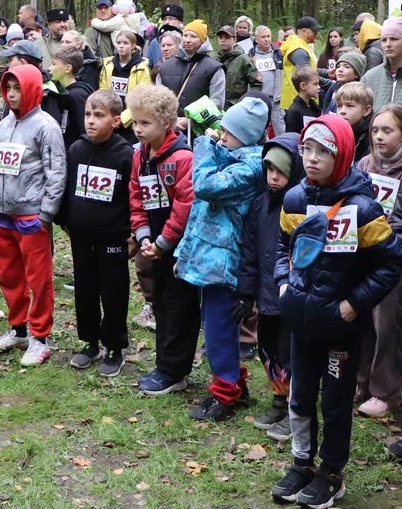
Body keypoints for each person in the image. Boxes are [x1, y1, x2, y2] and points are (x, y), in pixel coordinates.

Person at [271, 114, 402, 509]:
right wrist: (284, 285)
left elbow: (390, 263)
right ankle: (301, 463)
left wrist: (354, 303)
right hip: (301, 321)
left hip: (340, 329)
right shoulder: (295, 199)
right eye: (306, 149)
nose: (312, 158)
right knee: (300, 396)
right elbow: (281, 247)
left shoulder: (363, 208)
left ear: (342, 154)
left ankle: (331, 472)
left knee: (334, 402)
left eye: (323, 151)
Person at [176, 97, 269, 420]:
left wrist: (203, 144)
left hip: (225, 264)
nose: (222, 134)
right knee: (215, 325)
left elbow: (204, 186)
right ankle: (234, 382)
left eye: (230, 131)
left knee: (218, 328)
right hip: (210, 258)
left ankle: (225, 391)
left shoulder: (249, 168)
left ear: (246, 136)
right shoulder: (234, 157)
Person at [0, 64, 66, 366]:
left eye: (18, 88)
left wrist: (46, 213)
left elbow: (56, 172)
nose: (12, 94)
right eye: (8, 88)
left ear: (32, 89)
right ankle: (18, 329)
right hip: (2, 213)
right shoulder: (4, 124)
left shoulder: (46, 126)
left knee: (38, 279)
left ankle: (39, 337)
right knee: (9, 275)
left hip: (32, 216)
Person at [355, 105, 402, 425]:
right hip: (361, 255)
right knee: (360, 320)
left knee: (384, 326)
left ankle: (385, 391)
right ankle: (359, 380)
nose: (379, 137)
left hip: (391, 260)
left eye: (387, 131)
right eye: (375, 130)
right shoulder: (363, 164)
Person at [128, 84, 198, 396]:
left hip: (179, 246)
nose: (138, 129)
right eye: (135, 122)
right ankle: (164, 365)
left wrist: (164, 242)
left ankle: (175, 370)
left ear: (166, 122)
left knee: (178, 305)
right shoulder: (140, 156)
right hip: (153, 242)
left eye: (145, 123)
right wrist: (143, 235)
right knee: (160, 303)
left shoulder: (183, 158)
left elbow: (185, 205)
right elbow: (136, 197)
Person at [58, 89, 133, 378]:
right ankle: (89, 341)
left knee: (113, 293)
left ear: (115, 120)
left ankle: (114, 346)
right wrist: (66, 221)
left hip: (113, 239)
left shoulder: (125, 154)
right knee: (85, 290)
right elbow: (67, 190)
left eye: (99, 115)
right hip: (81, 237)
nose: (90, 120)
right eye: (88, 114)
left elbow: (132, 198)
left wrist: (132, 233)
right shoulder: (76, 150)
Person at [240, 132, 304, 440]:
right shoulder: (259, 205)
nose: (274, 177)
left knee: (290, 353)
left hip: (290, 296)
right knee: (267, 350)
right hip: (265, 294)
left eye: (281, 171)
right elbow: (249, 251)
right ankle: (278, 399)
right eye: (269, 169)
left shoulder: (301, 206)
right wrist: (245, 293)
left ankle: (295, 408)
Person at [154, 20, 225, 113]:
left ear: (203, 40)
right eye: (185, 35)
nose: (187, 40)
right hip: (170, 121)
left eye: (193, 36)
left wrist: (190, 119)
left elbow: (217, 103)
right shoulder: (165, 67)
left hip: (200, 122)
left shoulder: (214, 68)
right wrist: (172, 119)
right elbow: (158, 101)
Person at [247, 25, 285, 134]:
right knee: (258, 131)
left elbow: (286, 74)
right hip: (258, 99)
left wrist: (283, 91)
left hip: (276, 99)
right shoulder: (250, 55)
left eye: (268, 36)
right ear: (256, 39)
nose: (266, 39)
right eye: (263, 37)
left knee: (281, 129)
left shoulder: (278, 53)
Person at [279, 16, 320, 113]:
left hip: (299, 99)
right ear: (304, 31)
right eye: (314, 31)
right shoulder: (299, 50)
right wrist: (329, 83)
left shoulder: (301, 46)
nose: (317, 34)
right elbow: (307, 76)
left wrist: (326, 73)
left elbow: (310, 68)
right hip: (298, 102)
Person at [214, 25, 260, 107]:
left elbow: (257, 83)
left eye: (227, 37)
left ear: (235, 40)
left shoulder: (243, 59)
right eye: (220, 37)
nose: (223, 40)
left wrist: (247, 102)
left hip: (237, 106)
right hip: (216, 106)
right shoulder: (214, 60)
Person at [283, 66, 321, 134]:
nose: (319, 87)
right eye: (315, 84)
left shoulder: (314, 106)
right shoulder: (294, 111)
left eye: (318, 84)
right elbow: (290, 136)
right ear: (303, 86)